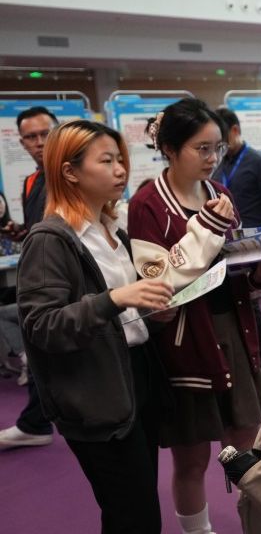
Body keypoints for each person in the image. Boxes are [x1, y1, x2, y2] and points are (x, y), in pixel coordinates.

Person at [128, 98, 261, 534]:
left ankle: (257, 522)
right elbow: (160, 282)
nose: (213, 159)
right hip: (184, 341)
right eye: (201, 149)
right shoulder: (147, 204)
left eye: (217, 149)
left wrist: (256, 280)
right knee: (191, 457)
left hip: (233, 328)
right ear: (170, 149)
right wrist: (210, 229)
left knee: (246, 446)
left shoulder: (220, 194)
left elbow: (227, 269)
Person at [18, 120, 175, 533]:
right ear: (70, 171)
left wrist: (154, 310)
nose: (121, 168)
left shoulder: (112, 228)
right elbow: (42, 326)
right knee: (134, 515)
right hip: (95, 393)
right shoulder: (51, 239)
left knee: (137, 509)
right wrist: (115, 299)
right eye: (106, 160)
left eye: (120, 158)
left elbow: (122, 317)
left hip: (134, 376)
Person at [0, 106, 61, 450]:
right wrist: (20, 232)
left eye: (45, 134)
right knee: (39, 352)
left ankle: (37, 421)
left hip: (65, 281)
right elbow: (41, 231)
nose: (39, 142)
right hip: (40, 277)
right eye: (31, 137)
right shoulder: (30, 181)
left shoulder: (70, 175)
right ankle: (36, 421)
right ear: (21, 142)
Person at [212, 107, 261, 380]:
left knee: (250, 303)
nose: (216, 148)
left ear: (234, 131)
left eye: (220, 138)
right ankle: (257, 362)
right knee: (238, 303)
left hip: (253, 243)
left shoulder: (259, 161)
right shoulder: (220, 164)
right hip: (226, 244)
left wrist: (260, 242)